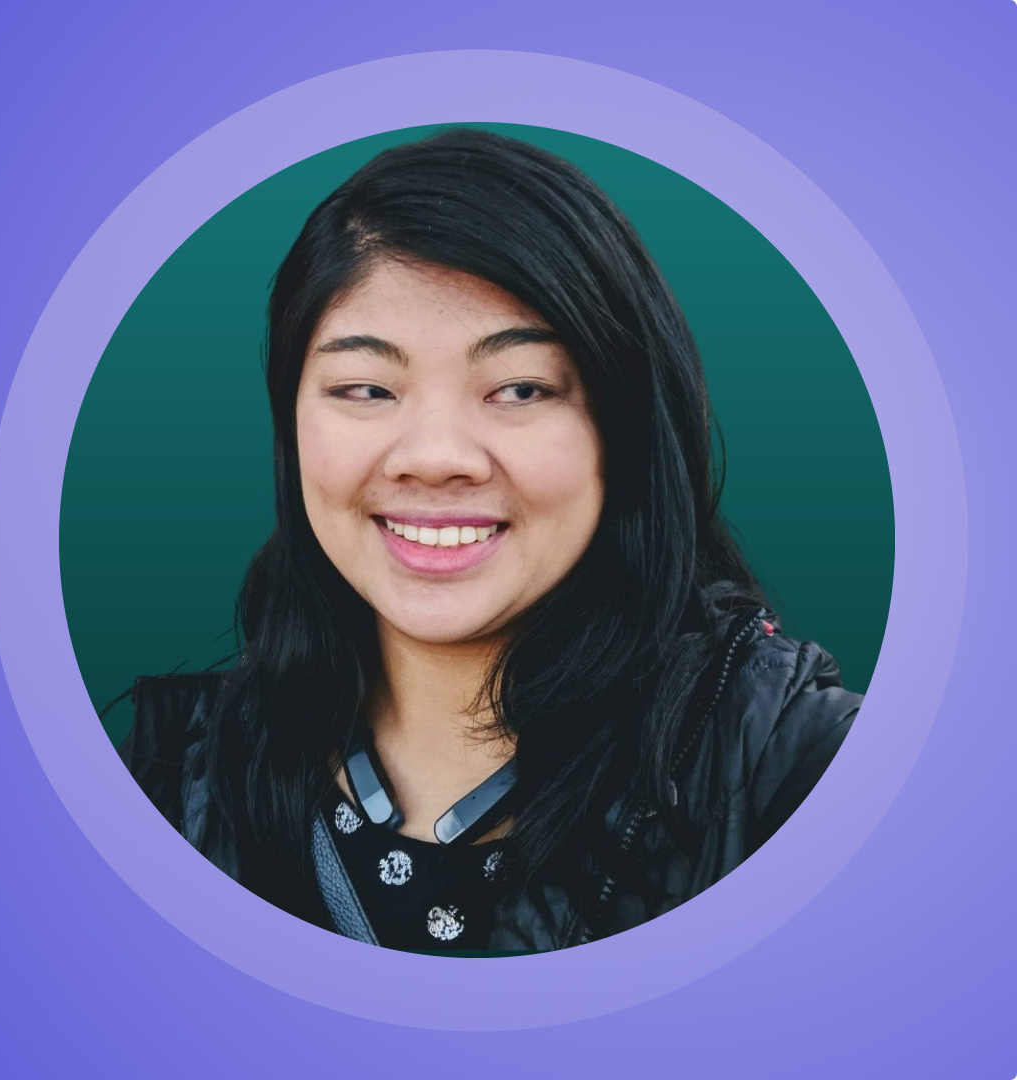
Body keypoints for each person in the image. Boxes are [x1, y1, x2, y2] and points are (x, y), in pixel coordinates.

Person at [120, 128, 861, 953]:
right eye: (365, 388)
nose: (435, 457)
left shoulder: (809, 778)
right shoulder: (165, 788)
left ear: (625, 429)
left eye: (519, 388)